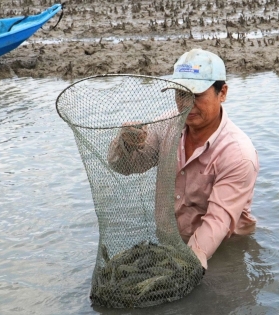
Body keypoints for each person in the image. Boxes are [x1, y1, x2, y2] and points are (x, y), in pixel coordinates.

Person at [107, 48, 259, 270]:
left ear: (222, 92)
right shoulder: (166, 125)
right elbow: (125, 167)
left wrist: (188, 264)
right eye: (181, 94)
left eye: (197, 96)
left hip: (224, 250)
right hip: (173, 241)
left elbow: (217, 222)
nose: (187, 104)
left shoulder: (238, 155)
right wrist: (126, 143)